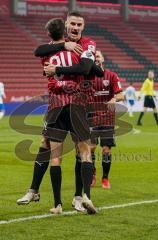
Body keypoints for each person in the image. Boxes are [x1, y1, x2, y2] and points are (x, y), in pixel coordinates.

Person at [17, 14, 102, 214]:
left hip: (79, 103)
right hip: (58, 104)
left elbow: (87, 68)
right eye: (72, 23)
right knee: (47, 146)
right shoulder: (58, 46)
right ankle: (39, 193)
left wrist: (57, 69)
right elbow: (39, 50)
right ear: (66, 25)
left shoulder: (87, 44)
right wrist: (63, 46)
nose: (75, 27)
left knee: (81, 150)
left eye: (79, 24)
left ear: (83, 26)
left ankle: (79, 197)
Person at [72, 50, 124, 200]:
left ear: (103, 59)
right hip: (91, 119)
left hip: (107, 119)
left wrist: (115, 99)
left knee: (106, 150)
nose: (96, 58)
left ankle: (105, 178)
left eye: (98, 55)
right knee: (92, 149)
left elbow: (121, 94)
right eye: (94, 56)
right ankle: (93, 172)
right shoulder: (85, 77)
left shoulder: (112, 76)